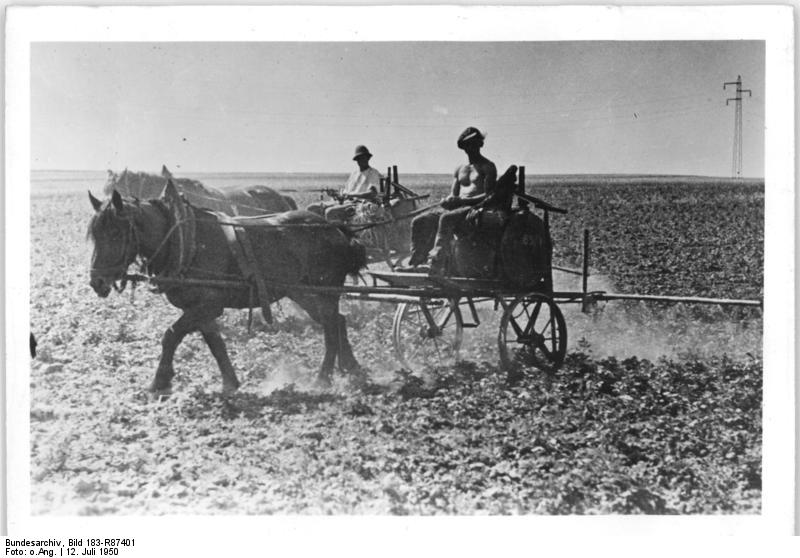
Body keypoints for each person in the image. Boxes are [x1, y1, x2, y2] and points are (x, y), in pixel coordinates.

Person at [406, 127, 498, 273]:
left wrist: (462, 201)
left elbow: (488, 196)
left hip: (476, 210)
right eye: (467, 145)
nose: (470, 148)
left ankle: (436, 263)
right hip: (458, 209)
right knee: (419, 221)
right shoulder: (459, 169)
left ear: (480, 144)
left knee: (446, 218)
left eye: (473, 144)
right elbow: (453, 194)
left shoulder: (487, 166)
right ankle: (416, 262)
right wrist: (448, 200)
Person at [307, 145, 382, 222]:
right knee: (312, 208)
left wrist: (352, 194)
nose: (361, 160)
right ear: (356, 160)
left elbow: (372, 193)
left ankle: (334, 233)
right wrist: (334, 194)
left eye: (364, 157)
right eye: (359, 158)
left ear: (368, 158)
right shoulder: (354, 174)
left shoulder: (373, 173)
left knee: (330, 212)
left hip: (359, 204)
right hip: (346, 202)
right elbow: (344, 193)